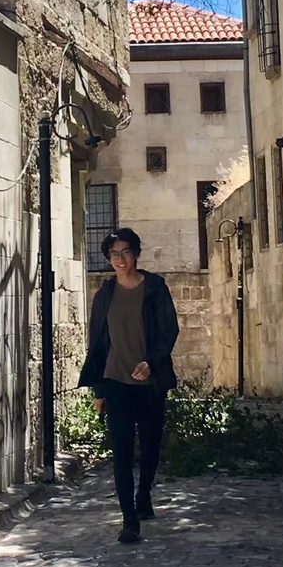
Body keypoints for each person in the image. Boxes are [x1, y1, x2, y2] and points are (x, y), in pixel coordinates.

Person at [78, 228, 179, 544]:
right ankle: (129, 520)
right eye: (113, 254)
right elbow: (96, 343)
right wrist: (98, 390)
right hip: (115, 381)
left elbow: (169, 330)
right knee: (120, 451)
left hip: (150, 383)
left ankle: (144, 492)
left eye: (124, 252)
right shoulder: (104, 295)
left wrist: (152, 361)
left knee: (149, 447)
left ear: (136, 253)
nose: (119, 259)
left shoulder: (155, 289)